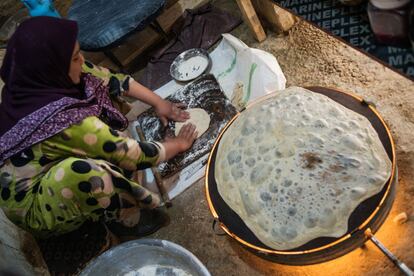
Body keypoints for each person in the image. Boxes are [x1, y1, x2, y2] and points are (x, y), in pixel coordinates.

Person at [0, 16, 197, 238]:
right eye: (75, 58)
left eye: (78, 52)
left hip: (46, 168)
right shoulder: (62, 120)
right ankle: (124, 220)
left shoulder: (33, 80)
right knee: (85, 173)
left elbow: (113, 79)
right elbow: (133, 155)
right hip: (36, 207)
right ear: (52, 67)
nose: (82, 60)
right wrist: (176, 145)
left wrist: (160, 103)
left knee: (97, 96)